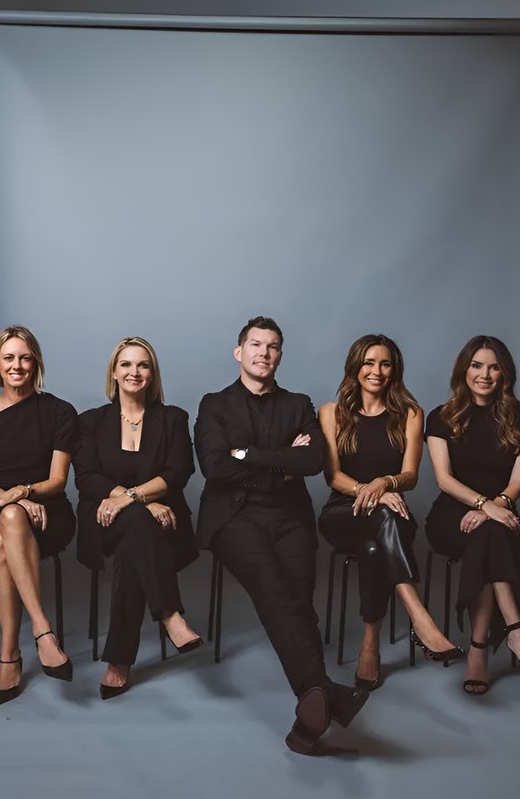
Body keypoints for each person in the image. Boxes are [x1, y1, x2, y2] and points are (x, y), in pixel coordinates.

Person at [194, 316, 369, 756]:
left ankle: (308, 723)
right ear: (239, 352)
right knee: (275, 593)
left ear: (279, 356)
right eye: (255, 345)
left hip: (290, 517)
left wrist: (249, 455)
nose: (263, 353)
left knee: (297, 601)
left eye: (272, 347)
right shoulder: (214, 404)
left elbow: (311, 462)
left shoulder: (298, 403)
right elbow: (214, 467)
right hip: (233, 518)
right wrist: (279, 462)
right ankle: (322, 692)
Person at [317, 334, 464, 690]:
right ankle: (420, 617)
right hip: (342, 512)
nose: (376, 371)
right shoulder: (331, 412)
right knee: (380, 521)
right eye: (369, 362)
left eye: (385, 364)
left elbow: (410, 476)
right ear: (355, 366)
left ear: (394, 370)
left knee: (374, 547)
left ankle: (370, 647)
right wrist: (370, 493)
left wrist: (383, 484)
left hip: (391, 515)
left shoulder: (409, 414)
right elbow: (333, 477)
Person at [425, 335, 520, 695]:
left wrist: (495, 508)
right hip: (451, 517)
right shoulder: (441, 417)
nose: (485, 374)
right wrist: (486, 506)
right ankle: (517, 633)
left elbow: (519, 481)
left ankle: (479, 651)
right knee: (491, 532)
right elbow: (444, 479)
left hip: (500, 514)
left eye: (494, 367)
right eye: (477, 365)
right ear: (464, 370)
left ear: (505, 374)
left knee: (490, 535)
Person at [74, 337, 203, 700]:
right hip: (102, 521)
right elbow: (87, 478)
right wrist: (143, 502)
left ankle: (119, 662)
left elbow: (179, 471)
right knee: (138, 524)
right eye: (126, 364)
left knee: (136, 538)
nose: (134, 372)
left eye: (143, 365)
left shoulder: (173, 418)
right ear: (114, 372)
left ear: (152, 373)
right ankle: (169, 615)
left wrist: (131, 499)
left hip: (162, 527)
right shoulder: (90, 421)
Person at [0, 325, 77, 707]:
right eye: (9, 358)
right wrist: (12, 501)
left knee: (1, 542)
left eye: (25, 358)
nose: (17, 365)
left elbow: (58, 480)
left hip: (49, 511)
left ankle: (9, 658)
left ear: (36, 364)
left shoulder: (59, 412)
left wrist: (25, 493)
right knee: (7, 524)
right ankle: (43, 630)